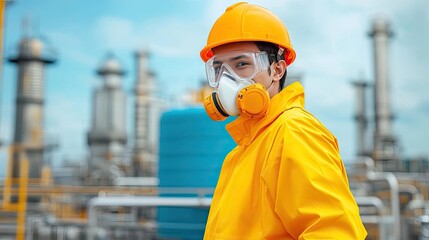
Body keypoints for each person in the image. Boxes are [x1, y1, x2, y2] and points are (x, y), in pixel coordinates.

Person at [200, 2, 367, 239]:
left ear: (277, 70)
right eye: (218, 69)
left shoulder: (294, 132)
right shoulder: (242, 152)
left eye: (242, 64)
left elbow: (335, 232)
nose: (227, 78)